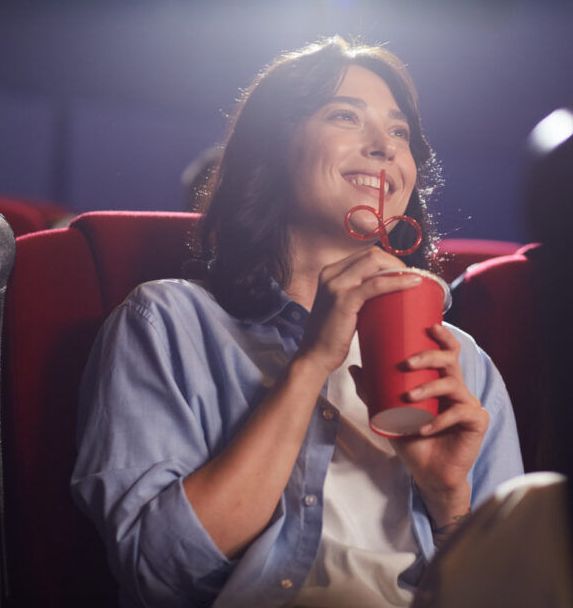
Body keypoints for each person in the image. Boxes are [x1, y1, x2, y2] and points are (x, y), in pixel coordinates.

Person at [71, 36, 523, 607]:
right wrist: (311, 364)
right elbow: (159, 572)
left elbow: (515, 593)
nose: (385, 146)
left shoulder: (462, 362)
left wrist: (449, 497)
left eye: (400, 132)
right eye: (345, 116)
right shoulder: (168, 322)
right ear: (272, 149)